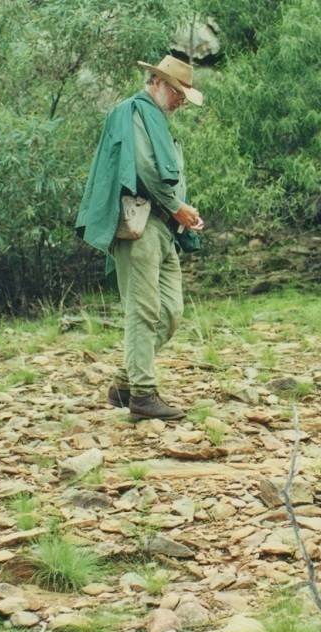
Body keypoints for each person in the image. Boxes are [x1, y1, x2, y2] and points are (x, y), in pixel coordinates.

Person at [75, 56, 204, 420]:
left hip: (161, 226)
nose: (181, 100)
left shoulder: (155, 119)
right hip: (140, 226)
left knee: (171, 312)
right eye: (178, 92)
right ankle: (144, 396)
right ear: (159, 83)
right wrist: (177, 206)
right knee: (144, 310)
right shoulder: (132, 111)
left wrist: (181, 211)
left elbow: (163, 174)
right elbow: (145, 169)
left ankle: (123, 384)